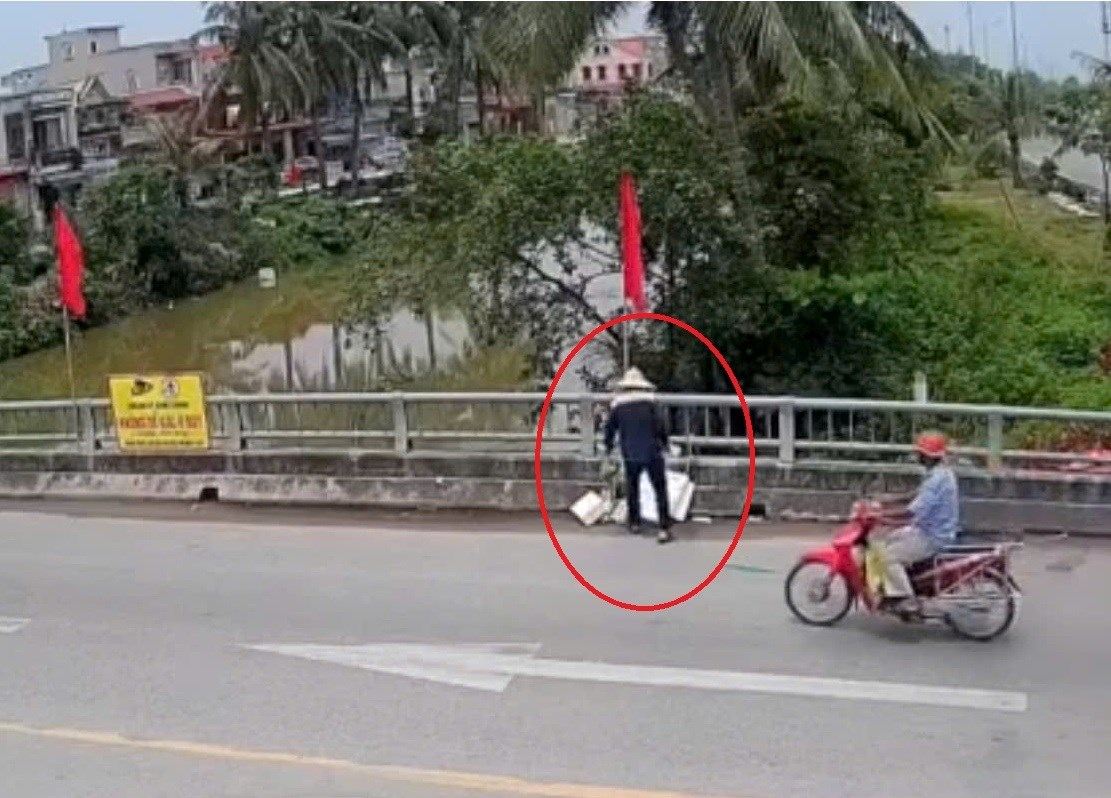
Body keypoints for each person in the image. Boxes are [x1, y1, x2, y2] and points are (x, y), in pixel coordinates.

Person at [878, 431, 960, 606]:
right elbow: (916, 496)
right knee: (889, 539)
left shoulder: (936, 479)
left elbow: (912, 512)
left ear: (928, 456)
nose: (918, 457)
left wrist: (881, 515)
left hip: (932, 536)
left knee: (888, 556)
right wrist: (888, 500)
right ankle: (907, 580)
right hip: (929, 530)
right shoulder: (940, 473)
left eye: (920, 453)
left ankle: (906, 599)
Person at [603, 367, 673, 543]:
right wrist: (665, 444)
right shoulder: (651, 404)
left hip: (630, 452)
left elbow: (610, 429)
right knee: (660, 489)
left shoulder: (618, 405)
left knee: (632, 487)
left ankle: (634, 521)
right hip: (652, 452)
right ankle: (663, 527)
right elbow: (661, 427)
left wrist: (608, 447)